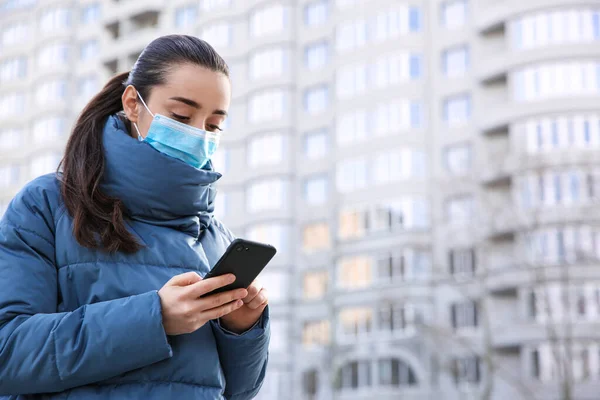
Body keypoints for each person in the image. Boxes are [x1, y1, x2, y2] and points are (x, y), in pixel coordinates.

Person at [0, 35, 270, 399]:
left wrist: (241, 330)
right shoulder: (46, 205)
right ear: (133, 103)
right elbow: (8, 354)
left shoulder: (215, 236)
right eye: (181, 116)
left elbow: (237, 392)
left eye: (213, 126)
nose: (197, 134)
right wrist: (153, 318)